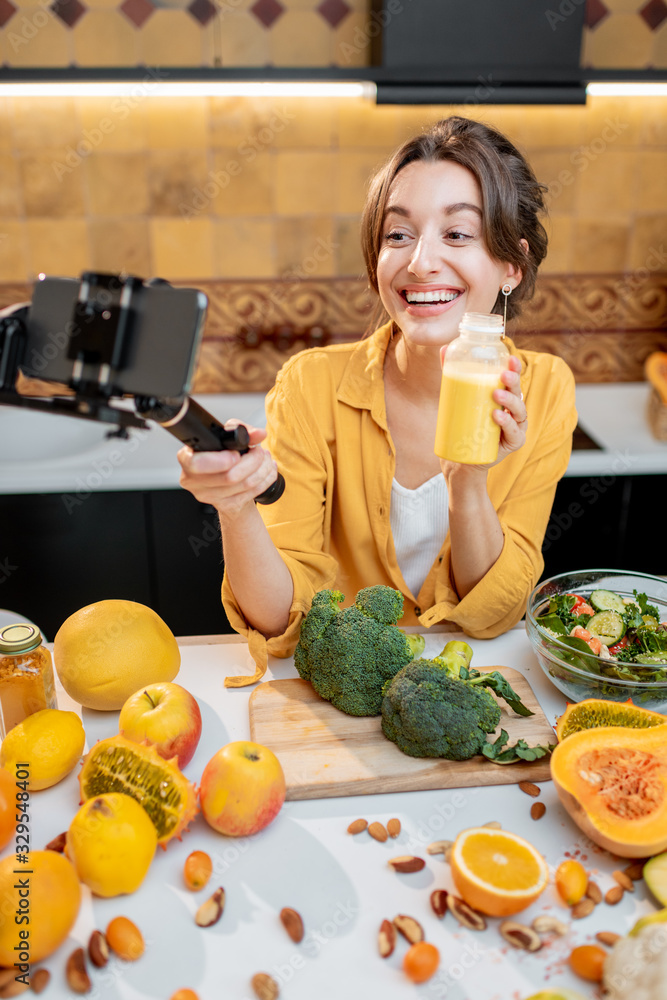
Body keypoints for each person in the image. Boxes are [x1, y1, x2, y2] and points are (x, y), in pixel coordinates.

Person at [178, 115, 577, 685]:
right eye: (398, 235)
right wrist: (236, 508)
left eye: (457, 234)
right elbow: (278, 623)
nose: (419, 261)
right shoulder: (309, 387)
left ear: (511, 265)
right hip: (335, 697)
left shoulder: (546, 390)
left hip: (469, 686)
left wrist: (468, 478)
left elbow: (495, 614)